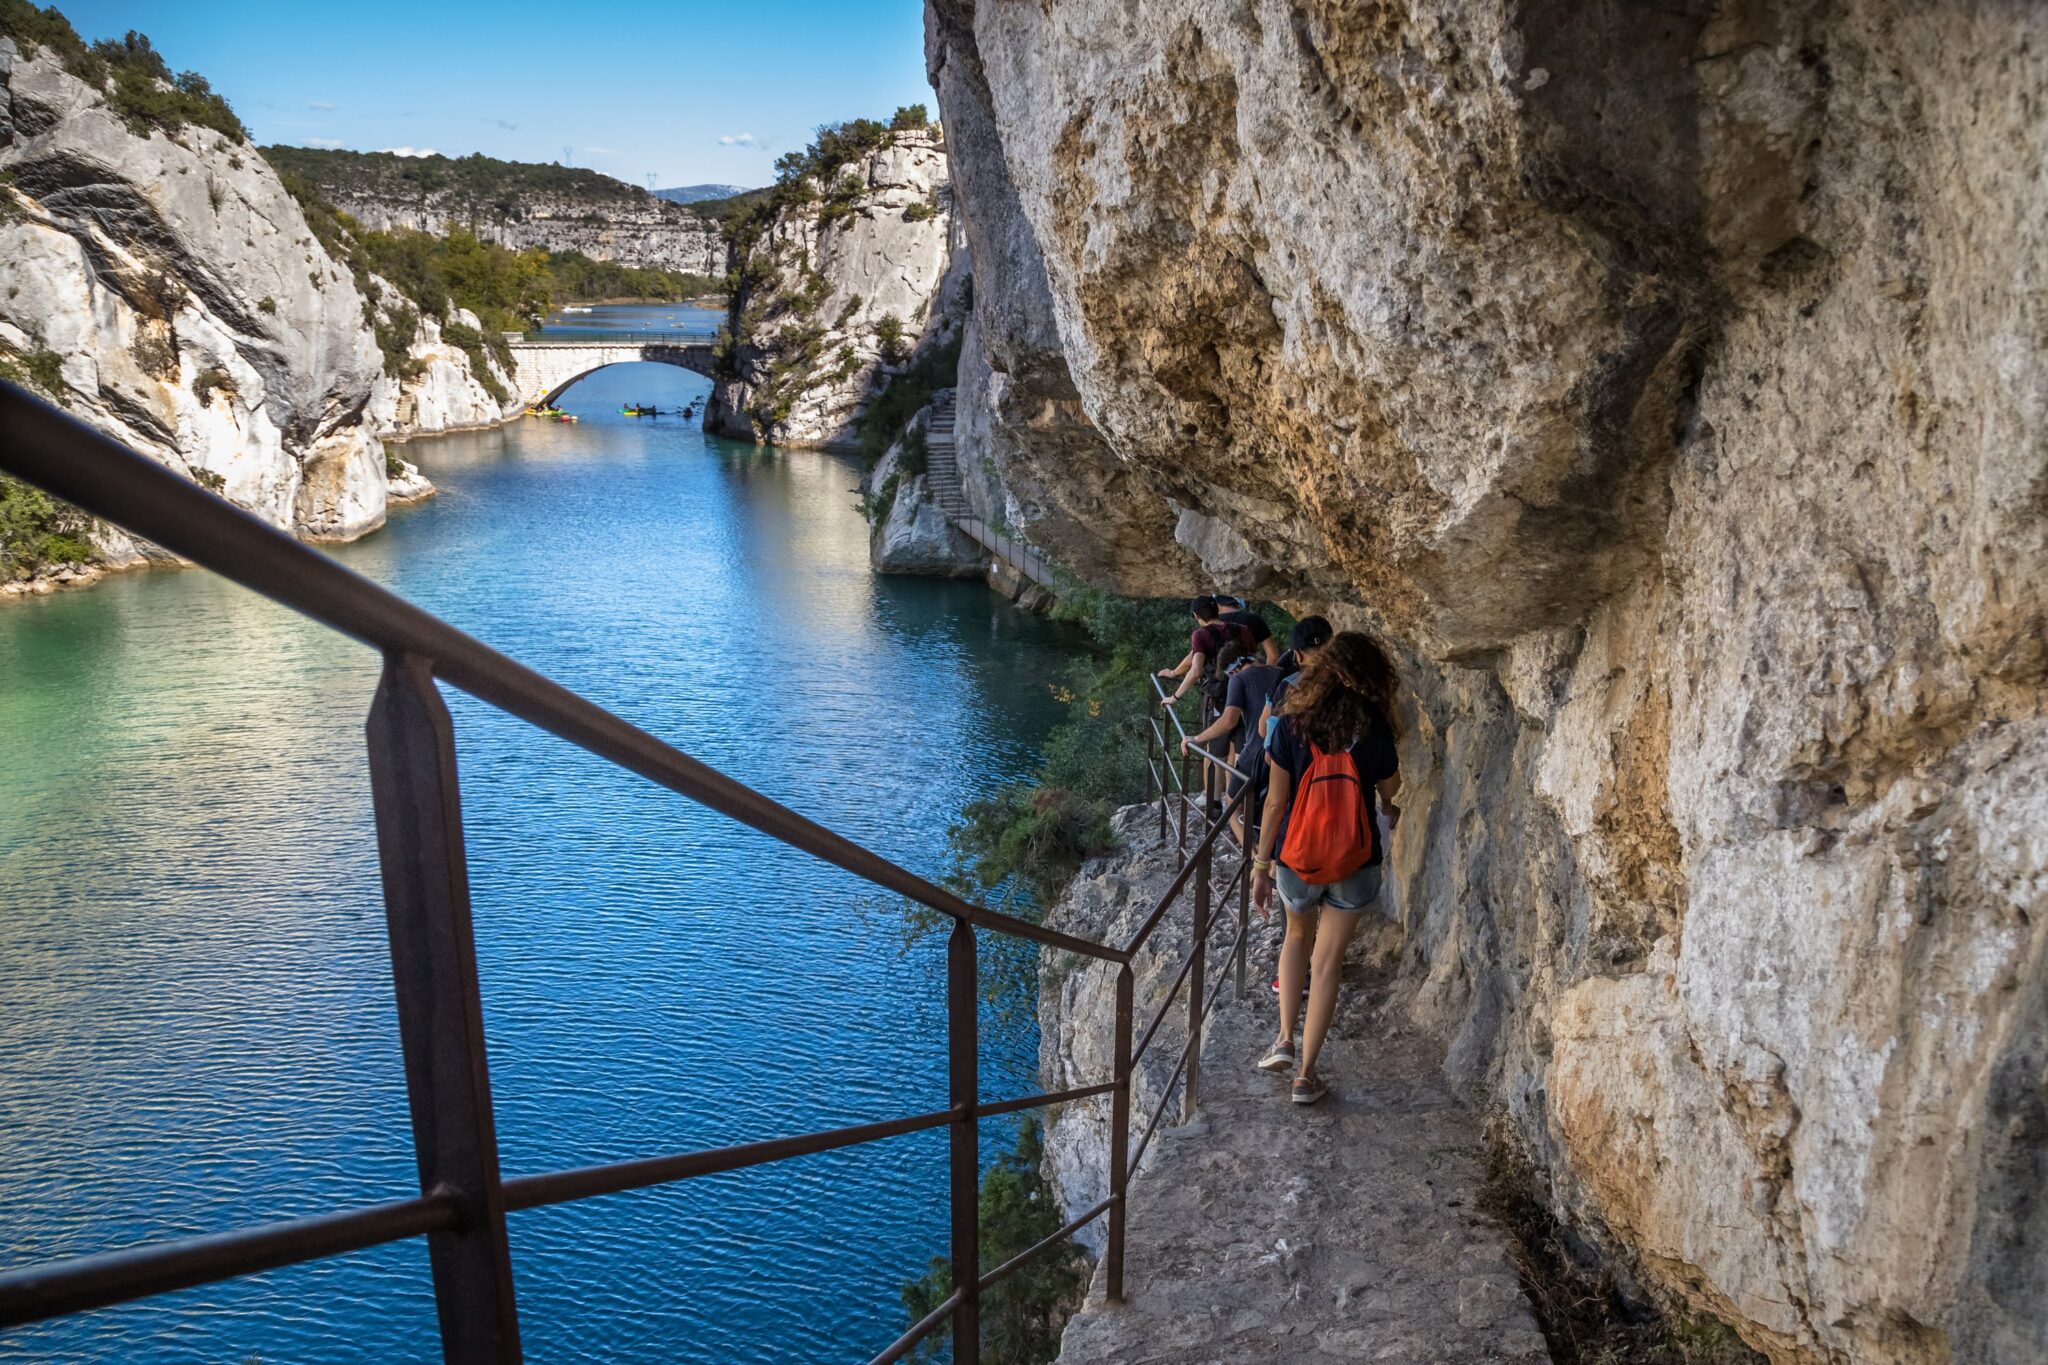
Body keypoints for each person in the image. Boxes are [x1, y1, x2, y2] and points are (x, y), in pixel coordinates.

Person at [1248, 631, 1402, 1106]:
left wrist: (1261, 865)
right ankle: (1307, 1077)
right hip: (1355, 860)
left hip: (1298, 856)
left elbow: (1274, 803)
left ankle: (1283, 1041)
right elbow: (1391, 786)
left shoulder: (1291, 723)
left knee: (1295, 939)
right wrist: (1384, 801)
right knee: (1328, 963)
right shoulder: (1373, 724)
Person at [1155, 596, 1255, 708]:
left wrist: (1174, 697)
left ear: (1197, 615)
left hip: (1224, 696)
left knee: (1223, 724)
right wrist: (1174, 673)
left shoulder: (1201, 635)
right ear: (1217, 609)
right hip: (1251, 688)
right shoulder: (1243, 629)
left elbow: (1196, 671)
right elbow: (1193, 655)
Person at [1215, 595, 1282, 665]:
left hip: (1220, 674)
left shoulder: (1209, 627)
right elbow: (1273, 655)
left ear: (1217, 605)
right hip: (1251, 671)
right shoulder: (1254, 619)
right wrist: (1267, 674)